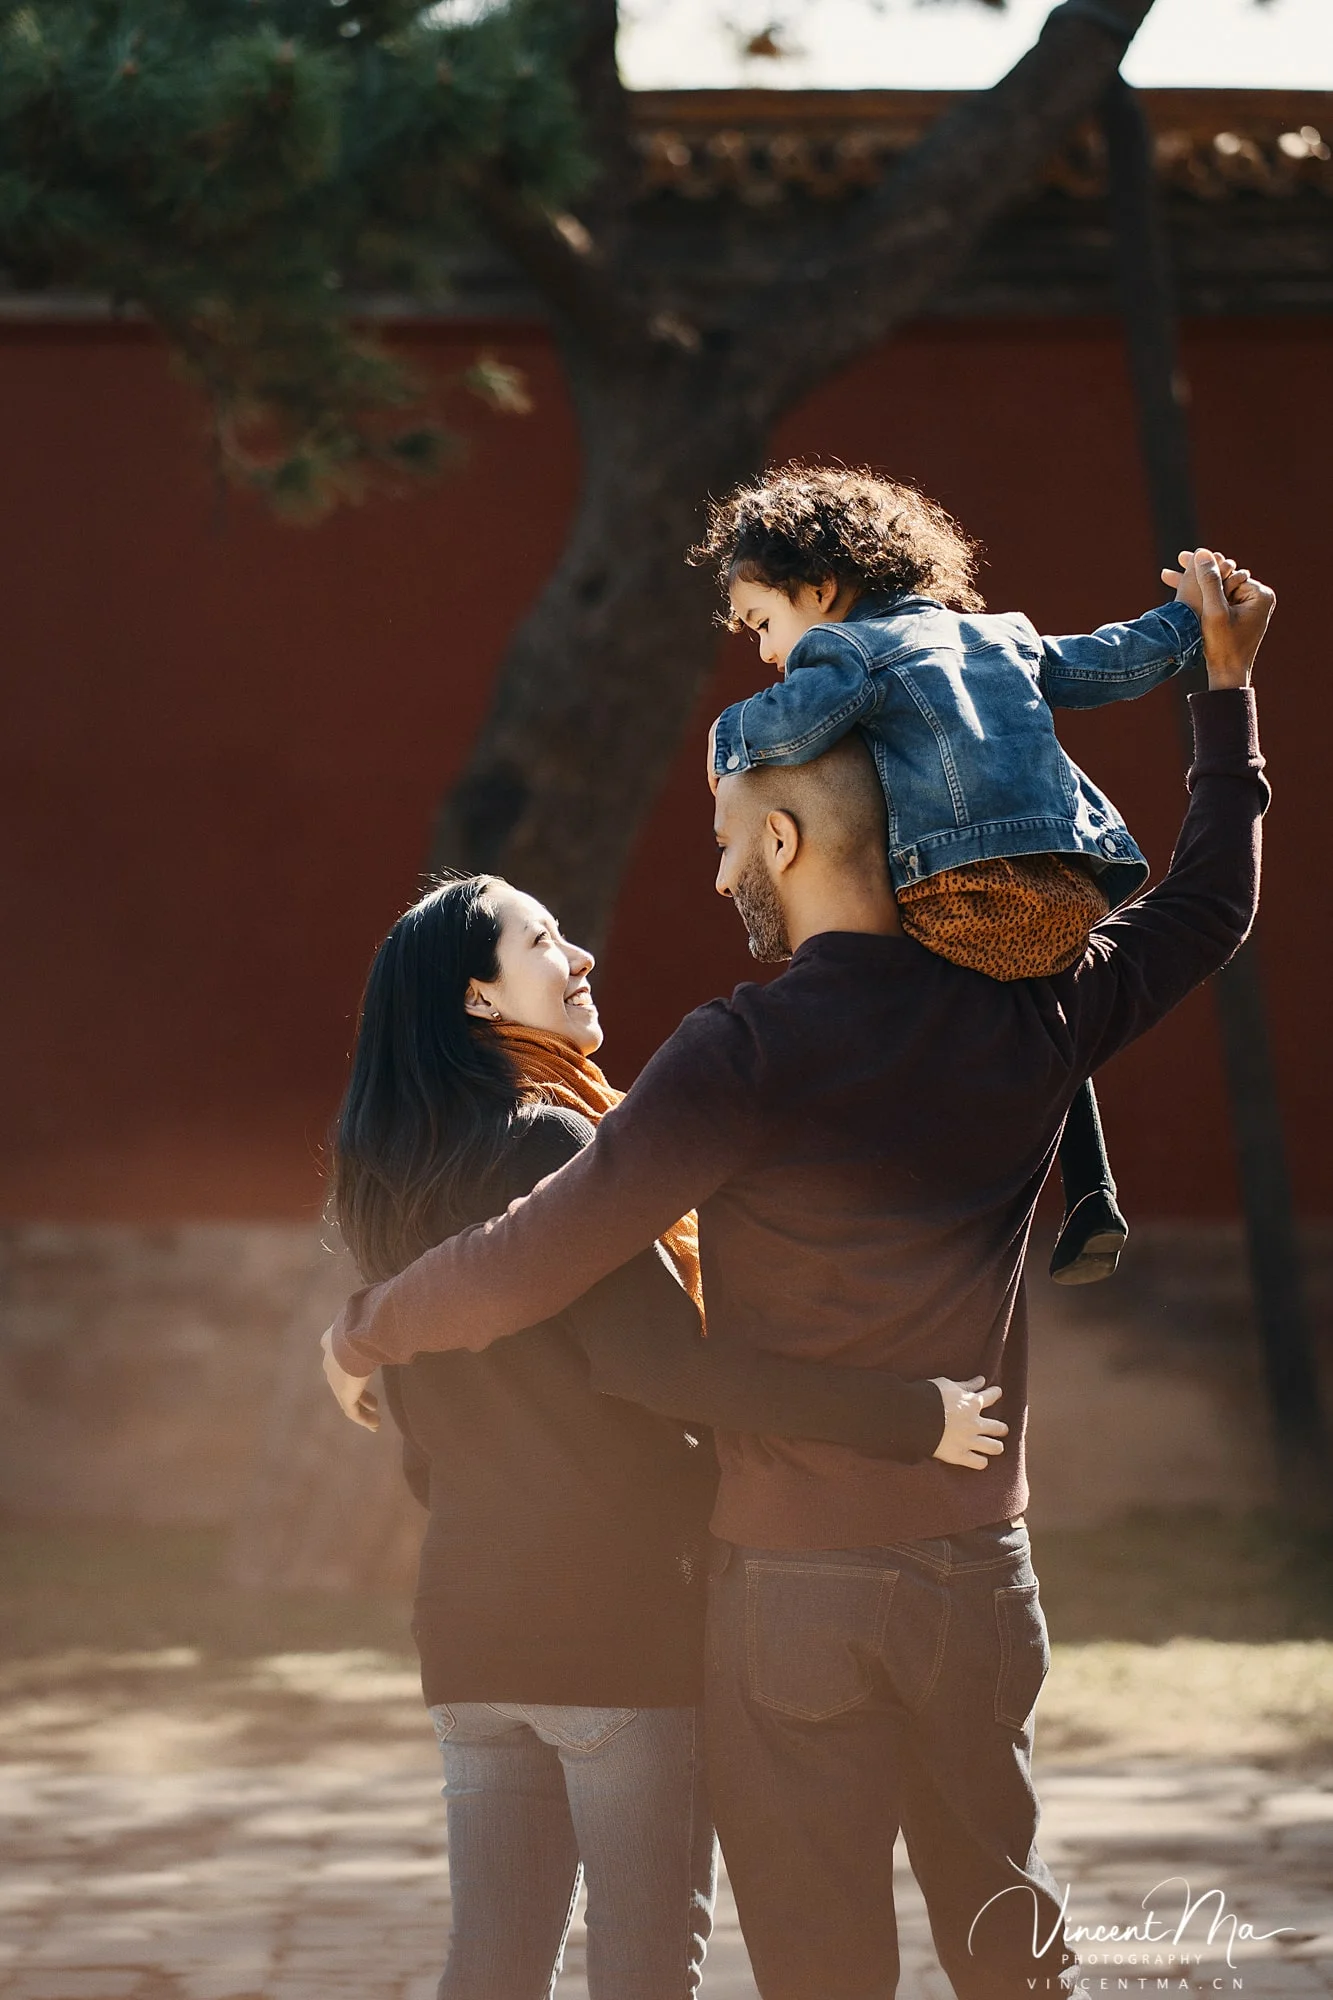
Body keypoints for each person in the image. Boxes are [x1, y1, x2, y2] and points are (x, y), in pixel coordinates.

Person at [323, 548, 1273, 1998]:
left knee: (819, 1967)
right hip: (979, 1571)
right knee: (1009, 1944)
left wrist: (369, 1326)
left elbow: (529, 1259)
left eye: (725, 839)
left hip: (785, 1591)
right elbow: (1205, 908)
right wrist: (1223, 698)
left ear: (781, 839)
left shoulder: (739, 1052)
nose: (716, 871)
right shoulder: (1037, 1017)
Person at [326, 871, 1006, 2000]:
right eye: (543, 939)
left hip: (466, 1627)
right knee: (645, 1958)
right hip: (615, 1619)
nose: (580, 956)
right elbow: (657, 1368)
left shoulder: (387, 1170)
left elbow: (426, 1439)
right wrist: (908, 1416)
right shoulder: (553, 1141)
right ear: (479, 999)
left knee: (490, 1961)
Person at [692, 464, 1231, 1286]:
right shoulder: (1001, 634)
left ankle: (898, 1184)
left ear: (821, 588)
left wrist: (727, 740)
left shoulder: (845, 650)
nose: (766, 652)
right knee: (1034, 999)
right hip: (1064, 890)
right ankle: (1093, 1190)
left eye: (763, 622)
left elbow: (795, 725)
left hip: (953, 891)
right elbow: (1109, 663)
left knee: (868, 968)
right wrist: (1188, 618)